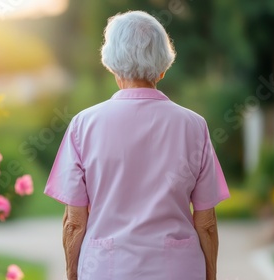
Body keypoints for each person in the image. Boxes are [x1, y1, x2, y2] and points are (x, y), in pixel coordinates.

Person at [44, 10, 230, 280]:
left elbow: (74, 222)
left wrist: (72, 274)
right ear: (163, 68)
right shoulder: (194, 126)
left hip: (107, 269)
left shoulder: (83, 125)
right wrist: (210, 275)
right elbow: (207, 223)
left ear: (111, 63)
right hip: (178, 270)